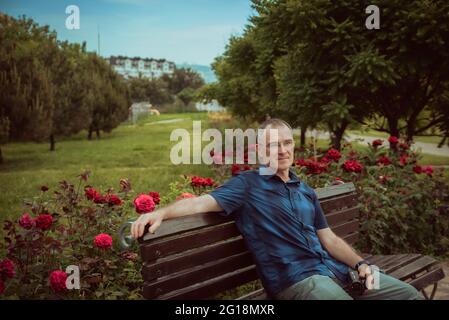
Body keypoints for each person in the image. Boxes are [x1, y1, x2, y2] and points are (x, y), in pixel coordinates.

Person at [131, 118, 423, 300]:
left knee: (408, 295)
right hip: (298, 282)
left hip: (338, 272)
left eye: (286, 143)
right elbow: (199, 202)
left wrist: (360, 265)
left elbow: (329, 238)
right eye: (272, 145)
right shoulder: (247, 186)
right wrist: (160, 213)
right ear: (260, 151)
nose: (281, 151)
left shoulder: (304, 190)